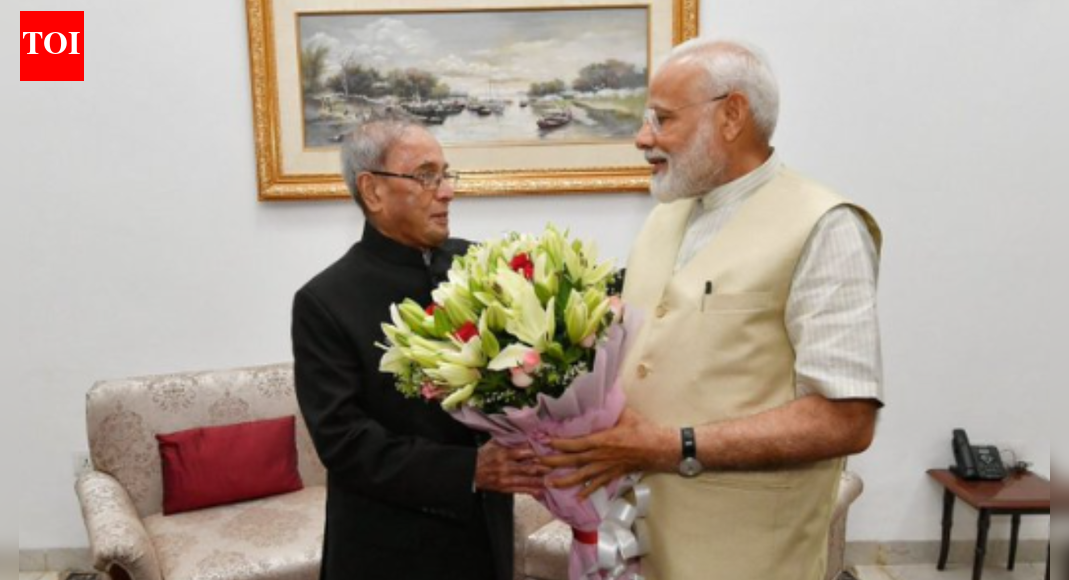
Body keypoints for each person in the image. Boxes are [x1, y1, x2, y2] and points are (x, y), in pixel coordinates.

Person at [543, 38, 885, 580]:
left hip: (747, 553)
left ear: (731, 116)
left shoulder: (825, 226)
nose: (642, 138)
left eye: (661, 119)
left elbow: (844, 419)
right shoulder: (667, 216)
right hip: (639, 538)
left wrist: (670, 445)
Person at [292, 119, 547, 580]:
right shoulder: (325, 301)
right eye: (427, 175)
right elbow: (344, 442)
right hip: (388, 548)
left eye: (447, 174)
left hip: (485, 538)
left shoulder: (480, 266)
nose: (447, 191)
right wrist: (470, 468)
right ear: (372, 191)